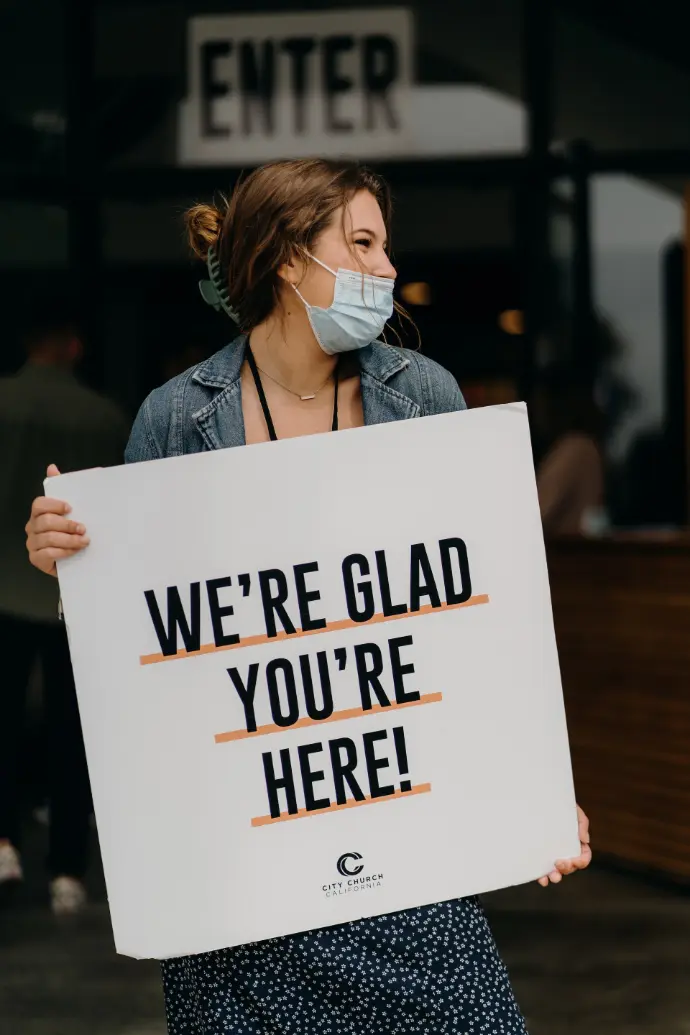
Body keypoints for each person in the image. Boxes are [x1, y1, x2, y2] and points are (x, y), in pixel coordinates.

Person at [25, 159, 591, 1032]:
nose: (388, 267)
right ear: (290, 259)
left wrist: (535, 790)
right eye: (362, 243)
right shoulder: (178, 416)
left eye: (385, 244)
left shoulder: (422, 394)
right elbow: (148, 649)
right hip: (244, 869)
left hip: (407, 853)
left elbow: (479, 620)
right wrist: (70, 561)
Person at [0, 304, 130, 914]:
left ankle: (3, 843)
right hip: (72, 593)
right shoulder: (103, 415)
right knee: (71, 735)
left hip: (3, 587)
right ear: (74, 346)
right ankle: (68, 871)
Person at [533, 366, 607, 537]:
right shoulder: (585, 446)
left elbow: (537, 513)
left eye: (540, 401)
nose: (536, 410)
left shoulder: (574, 448)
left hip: (566, 557)